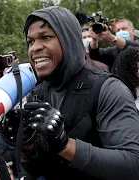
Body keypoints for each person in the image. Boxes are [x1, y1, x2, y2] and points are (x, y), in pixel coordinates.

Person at [19, 6, 139, 180]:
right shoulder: (36, 95)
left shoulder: (108, 89)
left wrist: (65, 144)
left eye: (46, 37)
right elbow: (34, 172)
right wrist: (27, 147)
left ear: (68, 40)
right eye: (30, 41)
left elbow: (133, 165)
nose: (34, 48)